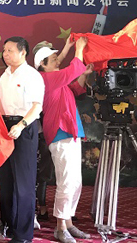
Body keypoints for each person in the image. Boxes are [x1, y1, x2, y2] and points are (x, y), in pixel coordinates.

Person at [34, 37, 92, 243]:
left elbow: (77, 88)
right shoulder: (45, 79)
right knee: (66, 181)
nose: (58, 61)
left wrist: (82, 74)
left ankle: (68, 223)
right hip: (60, 132)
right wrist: (79, 49)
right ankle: (60, 227)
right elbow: (72, 69)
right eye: (53, 59)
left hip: (71, 131)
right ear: (43, 64)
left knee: (75, 181)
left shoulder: (57, 79)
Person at [0, 36, 45, 243]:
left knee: (24, 183)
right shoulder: (4, 75)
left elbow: (36, 106)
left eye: (10, 51)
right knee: (6, 180)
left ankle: (23, 234)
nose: (5, 54)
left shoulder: (32, 75)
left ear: (23, 52)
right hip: (5, 127)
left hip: (24, 128)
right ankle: (7, 225)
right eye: (4, 51)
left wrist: (21, 125)